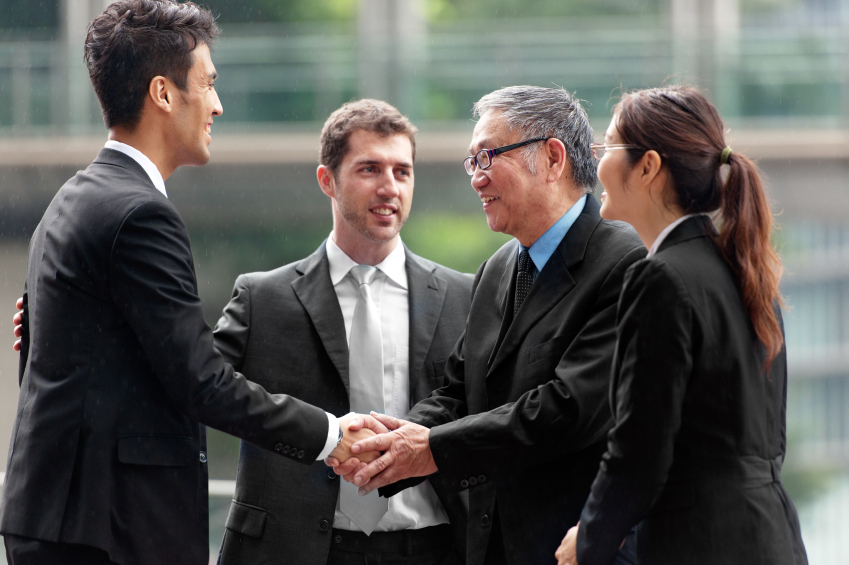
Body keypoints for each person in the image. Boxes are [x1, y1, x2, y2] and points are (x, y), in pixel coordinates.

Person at [0, 2, 376, 564]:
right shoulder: (140, 215)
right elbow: (201, 381)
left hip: (57, 514)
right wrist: (329, 435)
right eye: (208, 85)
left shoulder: (72, 199)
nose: (218, 105)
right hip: (110, 529)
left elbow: (52, 352)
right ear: (163, 93)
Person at [330, 86, 646, 565]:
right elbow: (459, 392)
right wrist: (392, 444)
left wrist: (431, 447)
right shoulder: (497, 269)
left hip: (579, 548)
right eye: (471, 162)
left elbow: (568, 409)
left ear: (553, 157)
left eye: (487, 157)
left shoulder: (625, 261)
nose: (477, 179)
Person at [554, 85, 808, 565]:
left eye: (608, 146)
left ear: (648, 166)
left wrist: (589, 542)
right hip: (771, 537)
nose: (597, 160)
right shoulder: (746, 271)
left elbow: (639, 451)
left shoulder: (661, 278)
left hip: (702, 544)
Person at [214, 99, 473, 565]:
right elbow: (198, 384)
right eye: (370, 169)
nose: (389, 188)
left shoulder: (466, 297)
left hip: (435, 549)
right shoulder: (262, 298)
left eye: (402, 171)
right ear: (327, 180)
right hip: (297, 552)